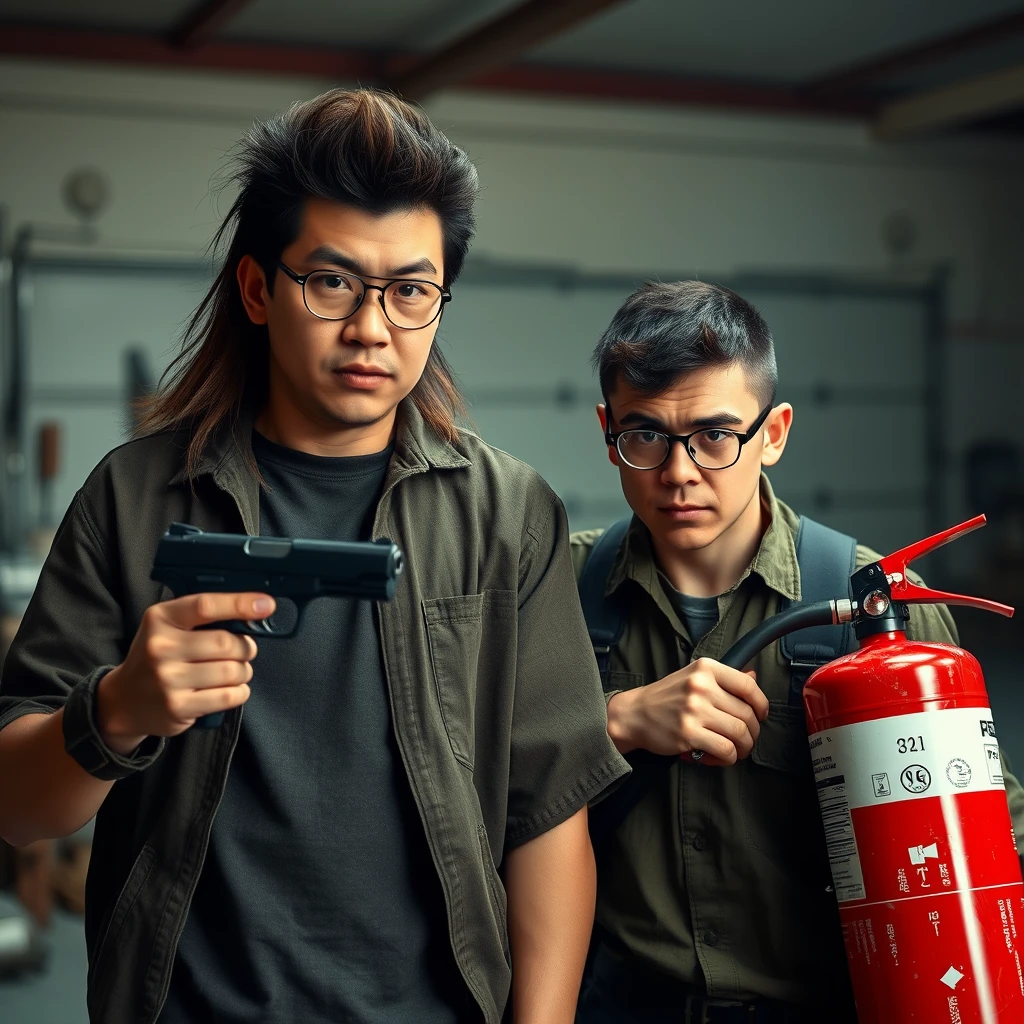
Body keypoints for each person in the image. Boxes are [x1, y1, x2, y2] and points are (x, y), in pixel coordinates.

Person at [0, 89, 628, 1024]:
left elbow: (546, 815)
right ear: (258, 289)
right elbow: (19, 808)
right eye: (331, 282)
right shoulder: (131, 501)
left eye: (410, 291)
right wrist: (121, 706)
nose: (373, 327)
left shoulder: (508, 514)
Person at [570, 280, 1024, 1023]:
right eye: (645, 435)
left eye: (716, 436)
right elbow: (481, 780)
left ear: (773, 432)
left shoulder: (876, 602)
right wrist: (613, 720)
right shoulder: (560, 588)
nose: (678, 473)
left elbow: (985, 833)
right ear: (607, 428)